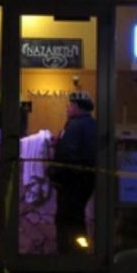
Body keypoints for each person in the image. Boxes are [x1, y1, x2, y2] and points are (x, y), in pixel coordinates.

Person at [48, 90, 97, 255]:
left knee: (66, 219)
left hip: (72, 182)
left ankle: (69, 254)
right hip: (86, 180)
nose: (67, 108)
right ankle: (79, 251)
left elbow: (67, 154)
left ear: (77, 106)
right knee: (77, 217)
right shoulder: (92, 124)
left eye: (70, 105)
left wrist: (55, 174)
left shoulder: (75, 125)